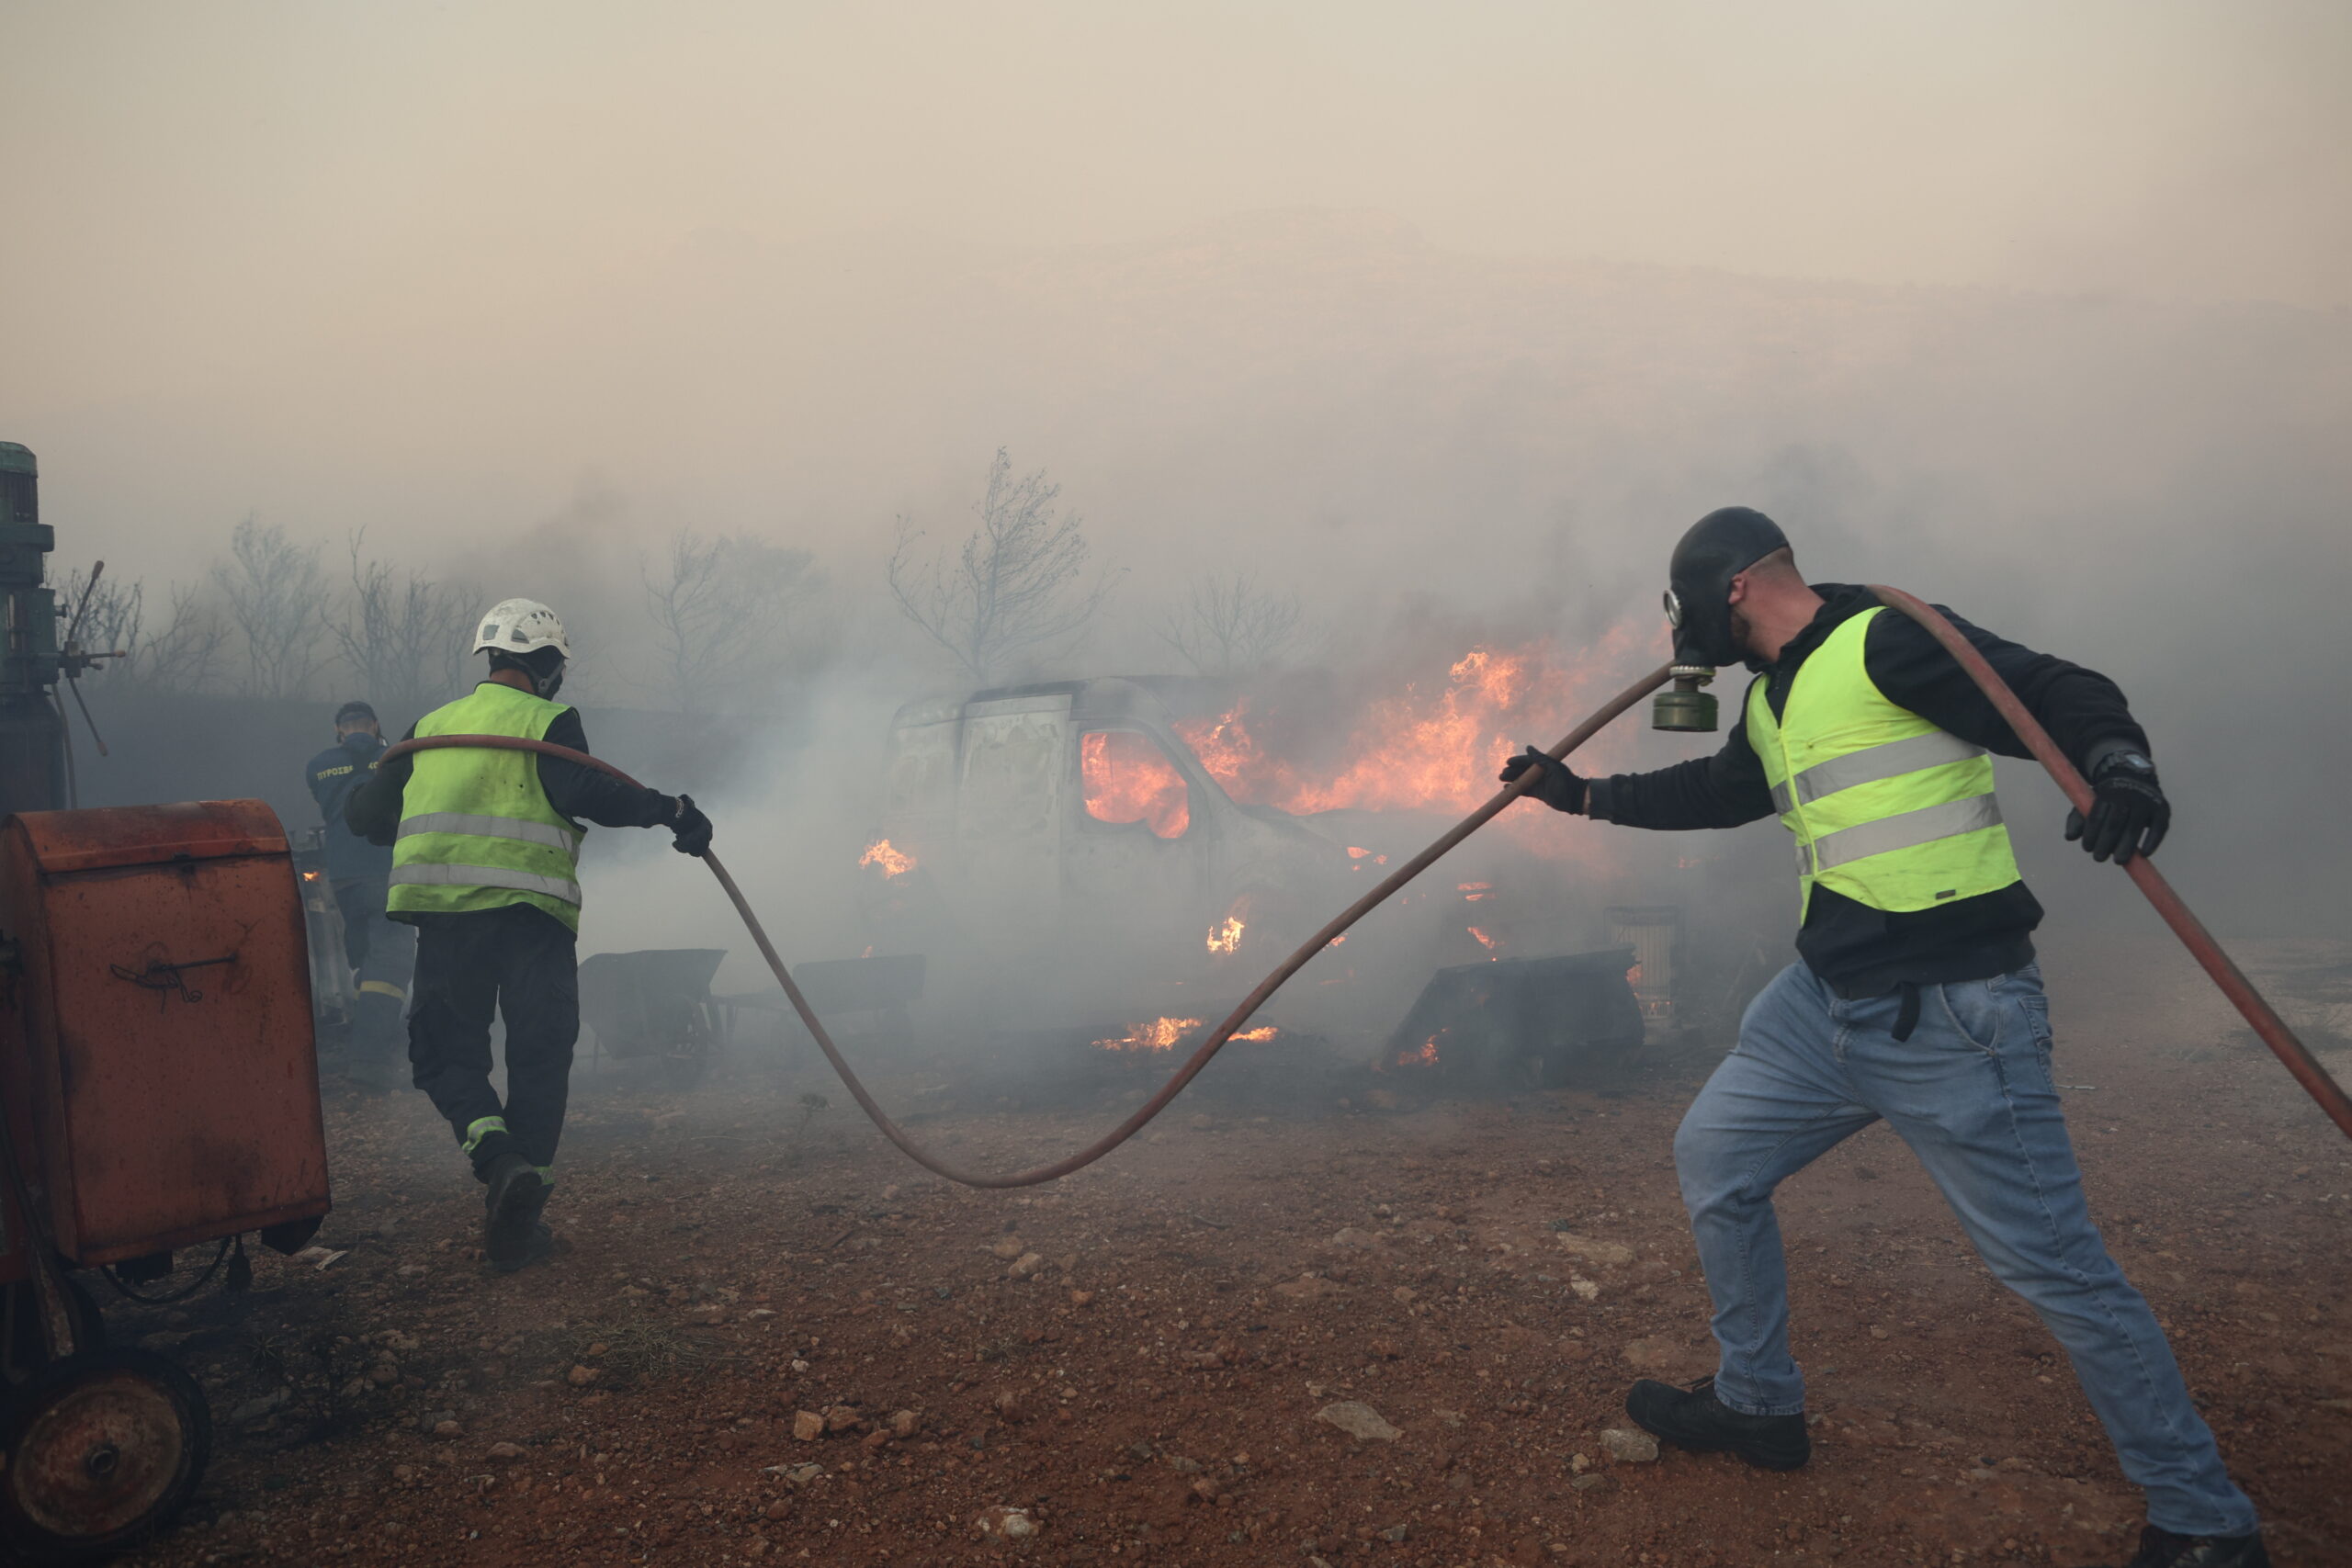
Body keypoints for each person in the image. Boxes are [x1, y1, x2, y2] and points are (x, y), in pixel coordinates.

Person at [1502, 509, 2263, 1568]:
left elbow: (2056, 688)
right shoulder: (1773, 697)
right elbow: (1721, 792)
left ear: (1730, 593)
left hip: (1956, 1011)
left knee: (2055, 1269)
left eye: (1683, 610)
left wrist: (2120, 768)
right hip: (1824, 1004)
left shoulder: (1886, 638)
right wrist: (1578, 795)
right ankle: (1760, 1406)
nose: (1680, 635)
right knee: (1714, 1157)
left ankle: (2205, 1522)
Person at [346, 598, 713, 1273]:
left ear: (492, 658)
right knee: (541, 1054)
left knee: (447, 1056)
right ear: (547, 667)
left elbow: (366, 814)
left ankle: (499, 1161)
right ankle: (522, 1200)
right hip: (529, 920)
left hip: (448, 921)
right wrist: (674, 813)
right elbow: (595, 792)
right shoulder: (550, 721)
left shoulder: (430, 727)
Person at [303, 700, 416, 1091]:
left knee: (366, 959)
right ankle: (369, 1059)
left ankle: (370, 1033)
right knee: (393, 960)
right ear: (375, 724)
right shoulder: (394, 756)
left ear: (339, 729)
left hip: (345, 878)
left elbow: (327, 802)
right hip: (388, 870)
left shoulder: (318, 765)